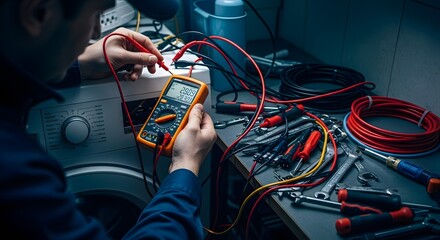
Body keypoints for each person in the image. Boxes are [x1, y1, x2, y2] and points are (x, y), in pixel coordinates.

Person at [0, 0, 217, 239]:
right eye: (96, 15)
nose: (96, 33)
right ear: (37, 12)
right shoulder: (15, 174)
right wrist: (184, 168)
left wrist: (79, 65)